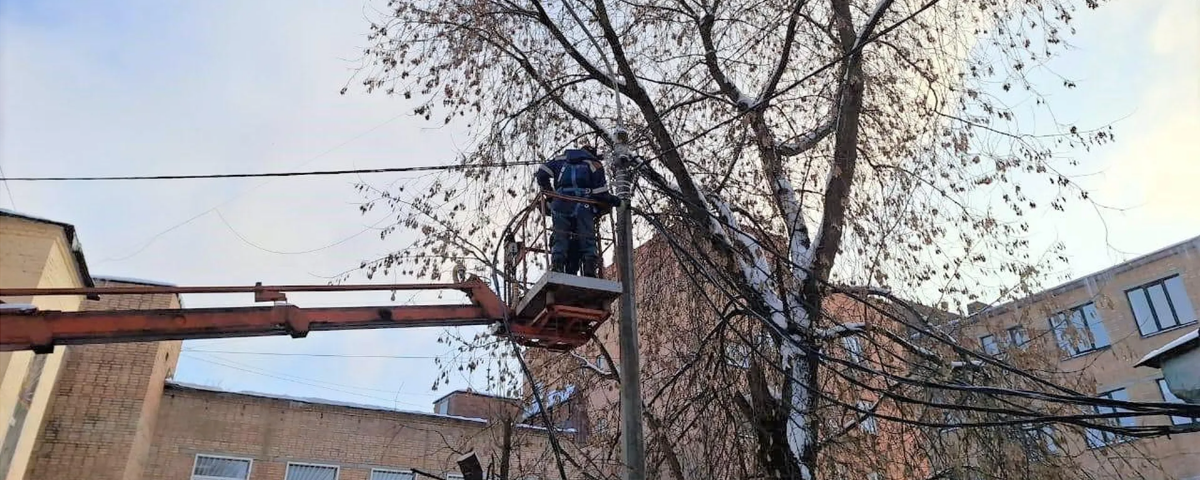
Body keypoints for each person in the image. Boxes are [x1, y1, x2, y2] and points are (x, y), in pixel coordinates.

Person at [534, 146, 617, 277]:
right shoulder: (594, 164)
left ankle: (557, 265)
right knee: (587, 236)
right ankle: (589, 269)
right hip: (584, 204)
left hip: (560, 202)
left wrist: (550, 195)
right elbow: (601, 193)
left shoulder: (560, 160)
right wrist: (615, 201)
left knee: (559, 235)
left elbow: (541, 173)